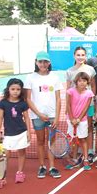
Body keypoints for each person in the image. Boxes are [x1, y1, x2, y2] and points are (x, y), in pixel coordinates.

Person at [25, 51, 62, 179]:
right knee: (40, 142)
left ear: (49, 63)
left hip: (52, 116)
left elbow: (58, 99)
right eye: (40, 61)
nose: (43, 64)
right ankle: (42, 166)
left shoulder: (55, 77)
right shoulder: (30, 77)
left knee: (51, 141)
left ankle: (52, 167)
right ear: (36, 62)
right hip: (37, 117)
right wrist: (39, 114)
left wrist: (57, 117)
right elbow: (28, 99)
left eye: (45, 61)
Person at [0, 79, 31, 189]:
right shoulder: (3, 103)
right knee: (5, 155)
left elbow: (27, 118)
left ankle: (20, 172)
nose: (15, 91)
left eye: (18, 89)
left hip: (22, 132)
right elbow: (0, 117)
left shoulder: (23, 103)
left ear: (21, 90)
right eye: (13, 89)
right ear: (8, 89)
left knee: (21, 152)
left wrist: (29, 131)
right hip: (8, 134)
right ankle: (2, 177)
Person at [66, 46, 97, 163]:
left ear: (86, 56)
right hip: (74, 105)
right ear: (74, 56)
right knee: (75, 129)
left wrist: (93, 101)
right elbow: (68, 88)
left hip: (88, 104)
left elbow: (93, 86)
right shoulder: (70, 71)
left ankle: (89, 151)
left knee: (88, 126)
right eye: (78, 55)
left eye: (82, 55)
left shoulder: (90, 69)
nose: (80, 57)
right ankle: (76, 153)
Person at [65, 72, 95, 171]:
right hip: (70, 119)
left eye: (84, 81)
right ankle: (74, 159)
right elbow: (68, 105)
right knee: (74, 140)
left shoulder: (89, 93)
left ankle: (85, 159)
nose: (82, 83)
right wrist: (72, 119)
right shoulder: (70, 91)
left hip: (82, 120)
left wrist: (78, 119)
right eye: (80, 81)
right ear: (76, 82)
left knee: (82, 140)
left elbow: (86, 108)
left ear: (87, 82)